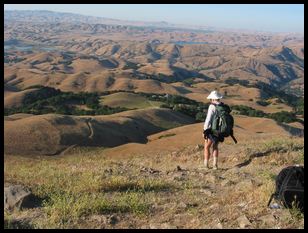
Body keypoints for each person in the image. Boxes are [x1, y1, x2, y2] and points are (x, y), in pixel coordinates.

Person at [202, 90, 224, 170]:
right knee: (215, 147)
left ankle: (206, 165)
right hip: (220, 130)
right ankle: (215, 165)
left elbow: (208, 119)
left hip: (211, 130)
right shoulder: (223, 106)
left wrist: (205, 131)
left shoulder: (212, 106)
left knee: (206, 147)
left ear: (212, 98)